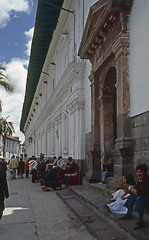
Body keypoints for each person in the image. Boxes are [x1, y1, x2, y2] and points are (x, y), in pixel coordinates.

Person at [123, 164, 149, 229]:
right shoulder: (140, 180)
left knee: (139, 198)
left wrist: (128, 188)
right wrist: (125, 187)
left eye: (140, 172)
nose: (138, 174)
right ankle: (129, 213)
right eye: (137, 172)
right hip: (144, 198)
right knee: (132, 196)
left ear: (145, 172)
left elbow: (138, 192)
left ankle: (140, 221)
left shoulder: (147, 180)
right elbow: (134, 189)